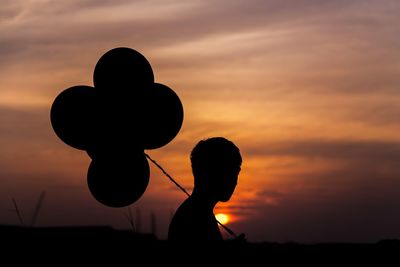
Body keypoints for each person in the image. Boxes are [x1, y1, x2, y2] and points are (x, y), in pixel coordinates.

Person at [168, 137, 242, 241]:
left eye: (236, 172)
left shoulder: (199, 213)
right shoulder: (195, 218)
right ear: (208, 172)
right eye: (227, 170)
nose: (234, 180)